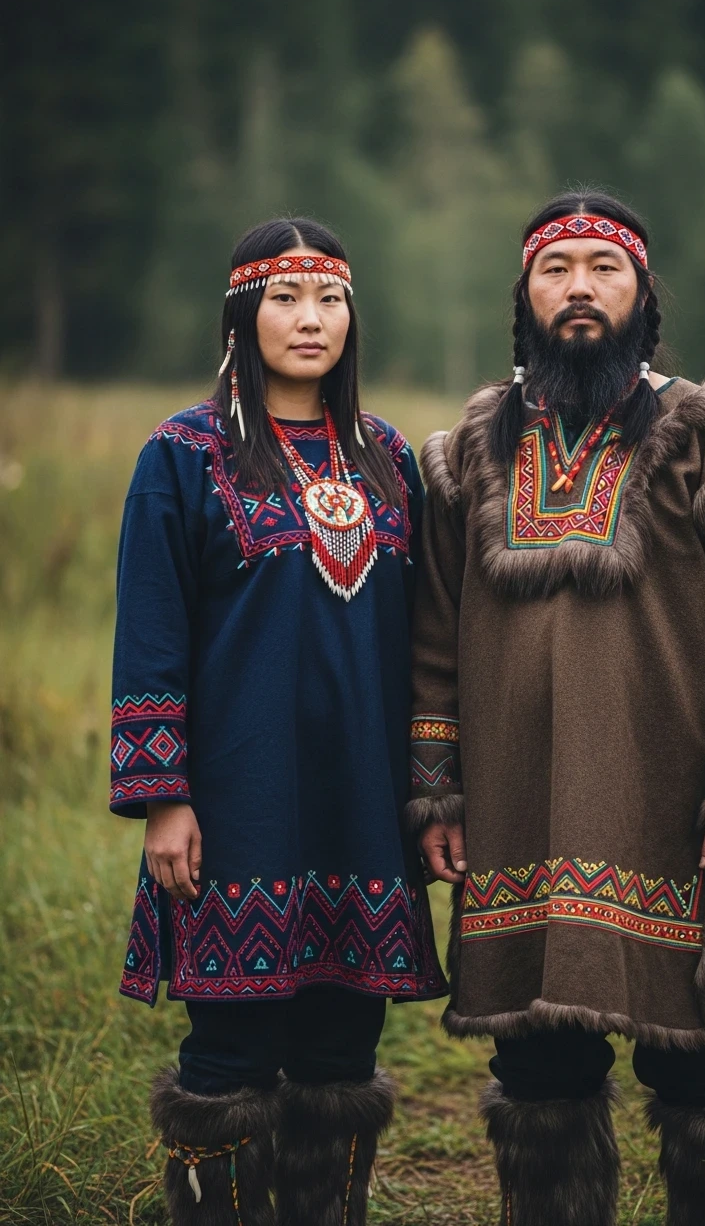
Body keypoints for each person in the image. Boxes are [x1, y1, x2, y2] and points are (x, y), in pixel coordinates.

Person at [407, 189, 705, 1226]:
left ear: (643, 294)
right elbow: (435, 637)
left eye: (603, 267)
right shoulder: (469, 451)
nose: (579, 287)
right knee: (539, 1075)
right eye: (555, 269)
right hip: (519, 818)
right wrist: (437, 788)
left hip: (671, 816)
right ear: (523, 298)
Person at [110, 217, 447, 1225]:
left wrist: (434, 789)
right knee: (230, 1055)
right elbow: (152, 636)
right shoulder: (182, 455)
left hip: (361, 810)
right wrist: (162, 797)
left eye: (329, 299)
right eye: (285, 298)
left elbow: (429, 640)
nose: (310, 319)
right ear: (240, 318)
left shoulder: (388, 458)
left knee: (342, 1056)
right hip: (236, 805)